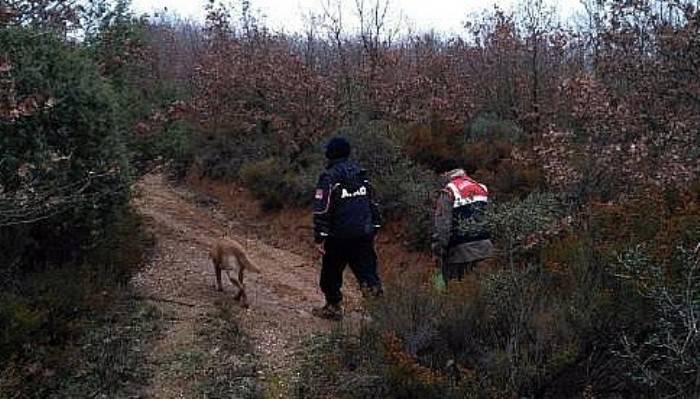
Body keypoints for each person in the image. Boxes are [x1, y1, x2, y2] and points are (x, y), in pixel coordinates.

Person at [312, 136, 383, 320]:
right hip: (363, 234)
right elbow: (373, 203)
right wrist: (375, 227)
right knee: (368, 275)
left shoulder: (329, 177)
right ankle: (383, 318)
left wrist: (320, 237)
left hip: (338, 237)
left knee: (330, 275)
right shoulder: (362, 175)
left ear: (330, 154)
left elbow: (322, 209)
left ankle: (333, 307)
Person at [431, 161, 493, 284]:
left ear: (445, 173)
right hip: (485, 251)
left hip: (460, 255)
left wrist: (438, 252)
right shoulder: (481, 188)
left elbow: (443, 227)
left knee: (459, 295)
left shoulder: (449, 192)